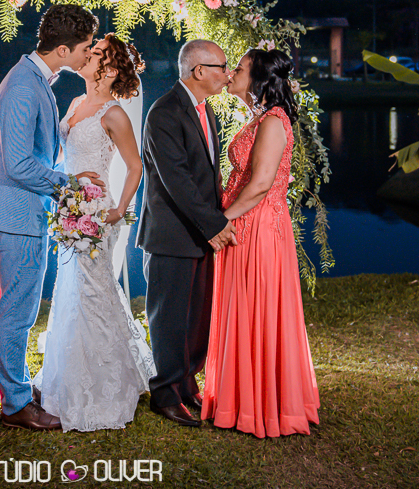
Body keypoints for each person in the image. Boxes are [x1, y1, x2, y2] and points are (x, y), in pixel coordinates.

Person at [0, 3, 103, 431]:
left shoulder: (36, 79)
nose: (91, 55)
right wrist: (68, 185)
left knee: (22, 306)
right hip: (15, 212)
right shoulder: (22, 86)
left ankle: (15, 386)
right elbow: (17, 164)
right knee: (17, 310)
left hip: (25, 210)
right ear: (65, 48)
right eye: (87, 48)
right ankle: (15, 404)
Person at [34, 33, 156, 432]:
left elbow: (136, 166)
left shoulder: (114, 113)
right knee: (71, 291)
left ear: (112, 69)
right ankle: (67, 377)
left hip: (96, 215)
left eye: (97, 53)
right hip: (69, 209)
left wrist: (117, 209)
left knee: (93, 291)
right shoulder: (74, 103)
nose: (88, 56)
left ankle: (104, 387)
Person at [201, 47, 320, 438]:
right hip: (243, 224)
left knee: (257, 307)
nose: (232, 72)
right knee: (241, 307)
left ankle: (262, 405)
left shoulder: (273, 121)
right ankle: (237, 397)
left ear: (258, 79)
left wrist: (221, 219)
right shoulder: (259, 118)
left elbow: (262, 183)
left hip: (257, 227)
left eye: (240, 68)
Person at [137, 39, 236, 428]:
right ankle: (164, 393)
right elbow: (175, 179)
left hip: (197, 235)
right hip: (171, 235)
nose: (227, 75)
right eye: (221, 67)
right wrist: (215, 225)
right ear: (198, 71)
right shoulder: (165, 112)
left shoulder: (206, 111)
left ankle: (186, 384)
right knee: (170, 319)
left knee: (196, 317)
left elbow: (207, 177)